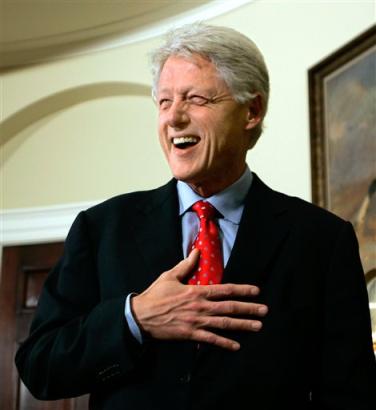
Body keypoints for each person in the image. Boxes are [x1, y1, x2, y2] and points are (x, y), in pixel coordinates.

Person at [15, 23, 375, 410]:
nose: (174, 118)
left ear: (251, 111)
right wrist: (134, 317)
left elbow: (351, 395)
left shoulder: (322, 239)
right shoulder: (101, 228)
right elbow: (40, 366)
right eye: (165, 102)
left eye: (196, 99)